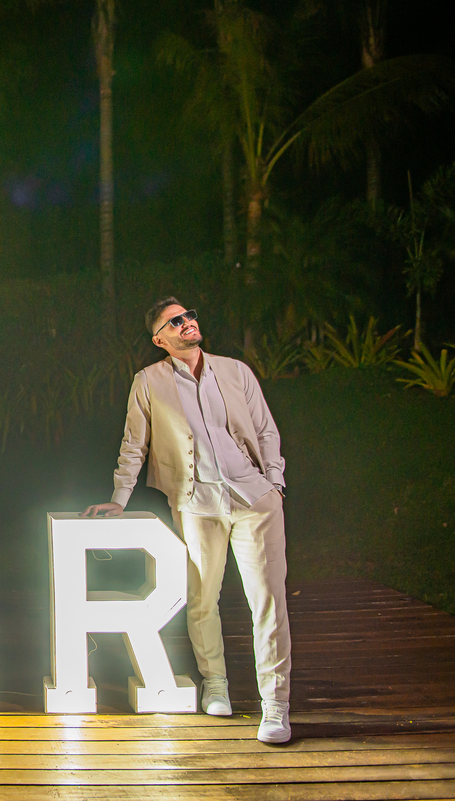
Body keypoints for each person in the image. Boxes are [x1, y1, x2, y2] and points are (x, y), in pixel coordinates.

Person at [82, 298, 292, 744]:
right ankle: (215, 683)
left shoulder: (235, 371)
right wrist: (120, 499)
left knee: (269, 603)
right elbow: (134, 444)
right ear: (159, 339)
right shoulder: (149, 382)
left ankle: (276, 705)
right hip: (197, 504)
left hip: (255, 501)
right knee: (202, 598)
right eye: (175, 322)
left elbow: (265, 430)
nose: (187, 323)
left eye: (189, 316)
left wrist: (274, 483)